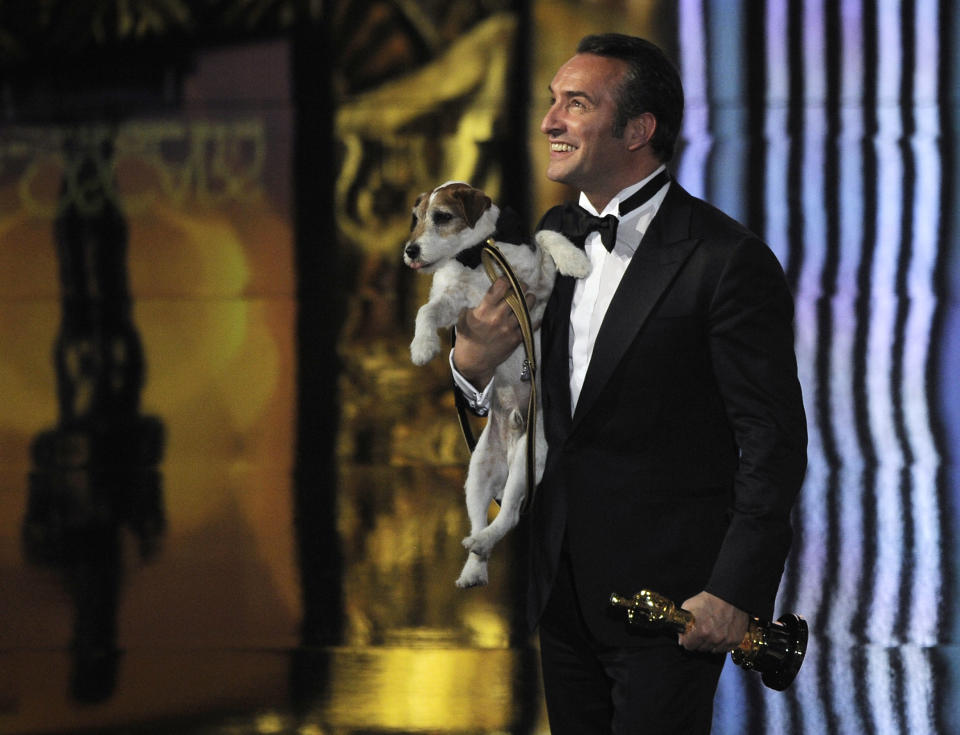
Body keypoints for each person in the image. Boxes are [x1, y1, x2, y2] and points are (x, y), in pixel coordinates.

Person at [450, 33, 807, 733]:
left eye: (575, 103)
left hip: (672, 607)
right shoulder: (554, 233)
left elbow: (772, 442)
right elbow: (532, 412)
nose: (550, 120)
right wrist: (470, 365)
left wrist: (732, 592)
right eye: (552, 101)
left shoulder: (725, 260)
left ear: (638, 130)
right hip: (561, 594)